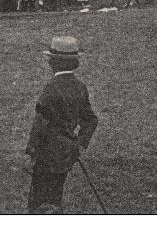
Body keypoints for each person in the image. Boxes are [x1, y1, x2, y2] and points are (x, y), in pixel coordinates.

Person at [25, 36, 99, 214]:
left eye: (51, 57)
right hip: (67, 154)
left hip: (47, 154)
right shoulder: (80, 87)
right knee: (55, 196)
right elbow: (91, 119)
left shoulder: (51, 89)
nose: (49, 60)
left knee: (38, 204)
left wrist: (30, 153)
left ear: (54, 62)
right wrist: (80, 144)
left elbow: (39, 126)